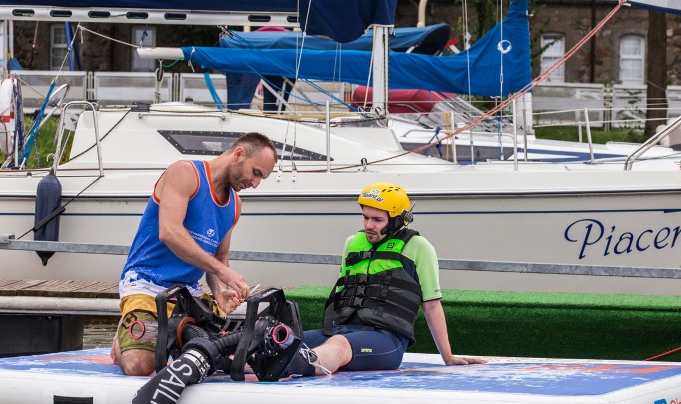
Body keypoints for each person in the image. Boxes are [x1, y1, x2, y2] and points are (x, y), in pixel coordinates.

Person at [111, 132, 278, 376]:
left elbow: (219, 258)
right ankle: (125, 336)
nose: (255, 184)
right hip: (146, 284)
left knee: (238, 358)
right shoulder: (185, 173)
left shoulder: (234, 205)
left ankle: (168, 334)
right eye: (256, 173)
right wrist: (223, 271)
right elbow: (169, 232)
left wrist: (220, 292)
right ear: (239, 154)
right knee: (140, 365)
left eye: (261, 178)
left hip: (188, 296)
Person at [281, 182, 486, 378]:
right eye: (365, 218)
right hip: (341, 330)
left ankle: (292, 366)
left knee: (339, 344)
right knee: (284, 341)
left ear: (397, 220)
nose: (369, 225)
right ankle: (254, 363)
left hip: (387, 340)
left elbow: (431, 305)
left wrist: (448, 357)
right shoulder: (352, 243)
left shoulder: (419, 247)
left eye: (377, 220)